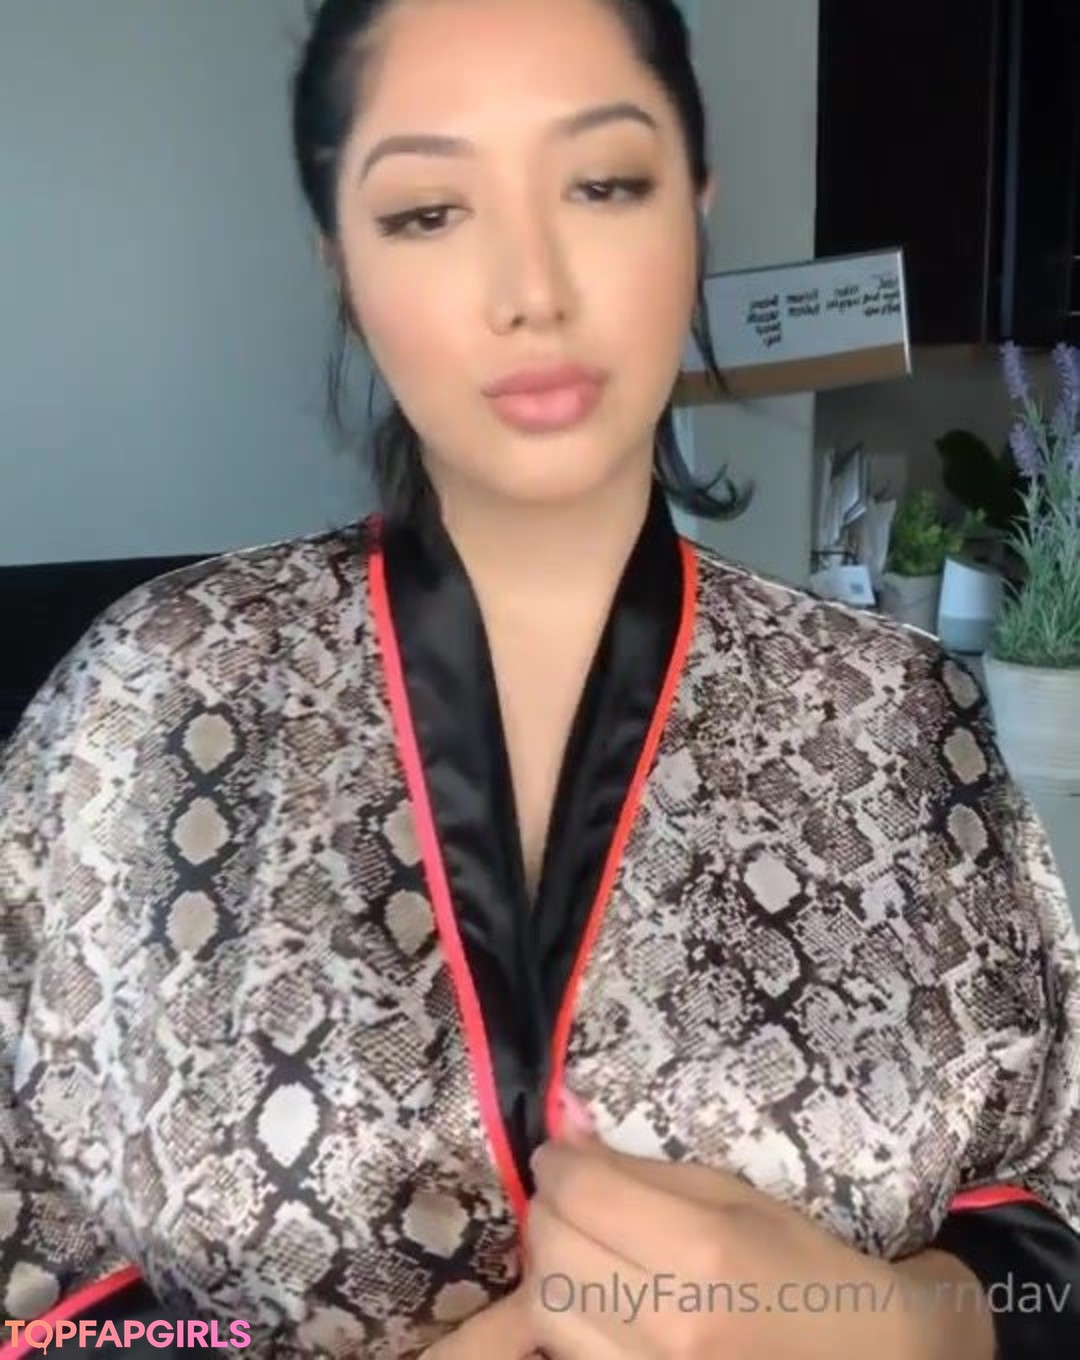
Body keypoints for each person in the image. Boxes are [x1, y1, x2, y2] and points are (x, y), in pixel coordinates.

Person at [1, 0, 1078, 1356]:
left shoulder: (897, 713)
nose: (533, 289)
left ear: (694, 209)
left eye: (604, 185)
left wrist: (910, 1328)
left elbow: (1054, 1239)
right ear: (342, 260)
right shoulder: (147, 698)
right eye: (428, 212)